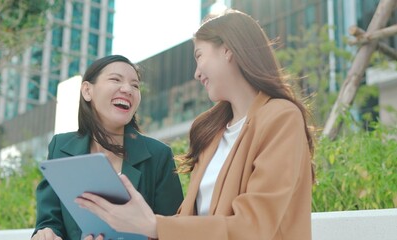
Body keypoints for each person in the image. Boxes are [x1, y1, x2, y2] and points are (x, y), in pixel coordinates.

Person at [75, 9, 315, 240]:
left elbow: (255, 226)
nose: (197, 73)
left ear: (228, 50)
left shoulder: (281, 117)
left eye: (199, 56)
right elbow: (190, 221)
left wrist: (155, 225)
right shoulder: (209, 131)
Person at [31, 55, 184, 240]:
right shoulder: (60, 147)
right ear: (87, 91)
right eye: (115, 79)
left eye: (135, 85)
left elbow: (174, 230)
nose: (128, 89)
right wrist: (47, 234)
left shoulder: (159, 155)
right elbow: (49, 220)